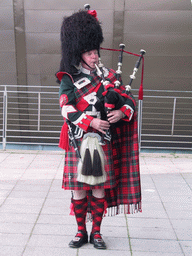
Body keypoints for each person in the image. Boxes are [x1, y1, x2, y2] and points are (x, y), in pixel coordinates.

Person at [56, 8, 141, 250]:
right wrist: (90, 121)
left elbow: (130, 101)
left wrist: (121, 112)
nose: (94, 56)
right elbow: (65, 108)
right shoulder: (68, 78)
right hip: (79, 140)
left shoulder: (111, 76)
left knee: (100, 189)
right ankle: (81, 231)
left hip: (103, 142)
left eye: (95, 52)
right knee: (79, 190)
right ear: (79, 53)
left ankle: (97, 233)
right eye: (90, 52)